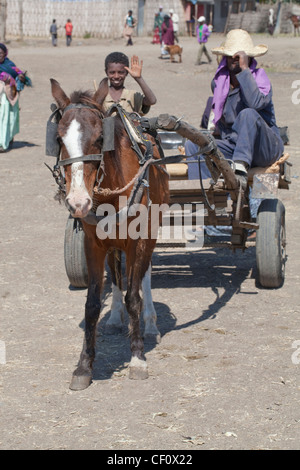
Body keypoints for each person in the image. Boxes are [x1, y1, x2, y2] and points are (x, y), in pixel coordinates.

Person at [186, 29, 284, 190]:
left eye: (239, 56)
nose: (234, 59)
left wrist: (245, 71)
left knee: (247, 114)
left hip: (264, 148)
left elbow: (255, 104)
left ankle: (240, 164)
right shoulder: (219, 84)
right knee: (193, 145)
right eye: (231, 55)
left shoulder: (260, 78)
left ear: (249, 58)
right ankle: (204, 196)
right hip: (234, 145)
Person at [0, 43, 31, 152]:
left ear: (5, 54)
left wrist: (21, 78)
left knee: (6, 118)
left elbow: (21, 75)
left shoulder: (10, 65)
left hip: (8, 97)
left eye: (1, 53)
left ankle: (4, 143)